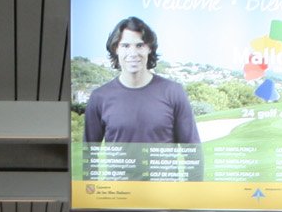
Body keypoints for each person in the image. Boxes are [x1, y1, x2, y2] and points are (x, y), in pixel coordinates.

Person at [81, 16, 200, 147]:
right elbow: (89, 156)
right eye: (125, 46)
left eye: (139, 45)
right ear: (116, 48)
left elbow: (193, 152)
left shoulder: (173, 92)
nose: (133, 53)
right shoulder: (99, 97)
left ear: (149, 48)